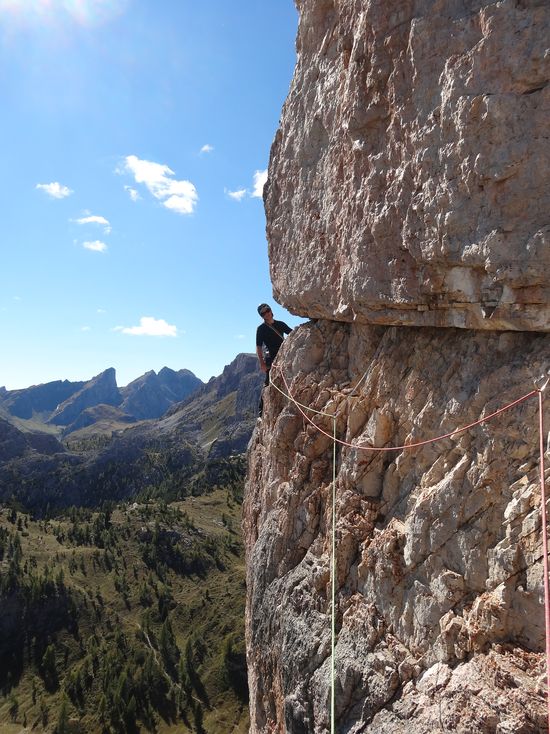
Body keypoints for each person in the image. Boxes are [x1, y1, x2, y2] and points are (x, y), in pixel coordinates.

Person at [256, 303, 292, 415]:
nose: (266, 314)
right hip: (270, 358)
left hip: (283, 355)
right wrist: (262, 363)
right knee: (268, 382)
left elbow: (292, 333)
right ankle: (261, 411)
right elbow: (258, 346)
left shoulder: (281, 324)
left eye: (267, 311)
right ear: (262, 316)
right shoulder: (261, 329)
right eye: (263, 313)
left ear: (271, 311)